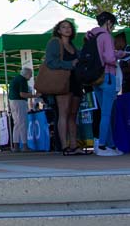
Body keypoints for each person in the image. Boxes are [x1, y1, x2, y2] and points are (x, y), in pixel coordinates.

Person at [44, 19, 84, 156]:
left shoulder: (73, 46)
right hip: (62, 81)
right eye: (64, 27)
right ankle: (65, 146)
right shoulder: (55, 43)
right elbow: (50, 62)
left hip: (76, 81)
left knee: (73, 114)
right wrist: (69, 64)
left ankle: (74, 145)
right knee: (63, 113)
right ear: (59, 30)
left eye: (69, 27)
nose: (67, 29)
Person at [86, 11, 122, 157]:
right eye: (112, 24)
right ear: (108, 22)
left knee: (103, 112)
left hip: (95, 78)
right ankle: (101, 145)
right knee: (107, 113)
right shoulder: (106, 36)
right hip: (108, 75)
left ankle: (111, 145)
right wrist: (118, 56)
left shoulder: (90, 36)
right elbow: (109, 58)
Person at [6, 65, 35, 152]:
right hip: (20, 102)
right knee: (23, 123)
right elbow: (23, 94)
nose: (31, 76)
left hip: (13, 101)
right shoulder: (22, 80)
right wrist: (34, 95)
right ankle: (25, 146)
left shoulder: (16, 78)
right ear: (26, 74)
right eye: (30, 74)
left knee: (17, 124)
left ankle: (16, 146)